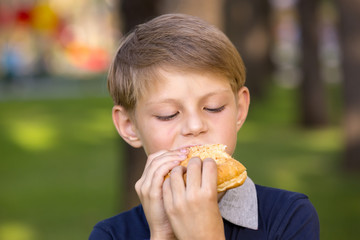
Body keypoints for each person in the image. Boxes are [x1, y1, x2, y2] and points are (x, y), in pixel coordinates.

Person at [89, 13, 319, 240]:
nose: (195, 126)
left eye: (213, 107)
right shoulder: (111, 235)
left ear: (239, 109)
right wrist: (162, 234)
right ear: (129, 126)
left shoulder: (289, 217)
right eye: (167, 115)